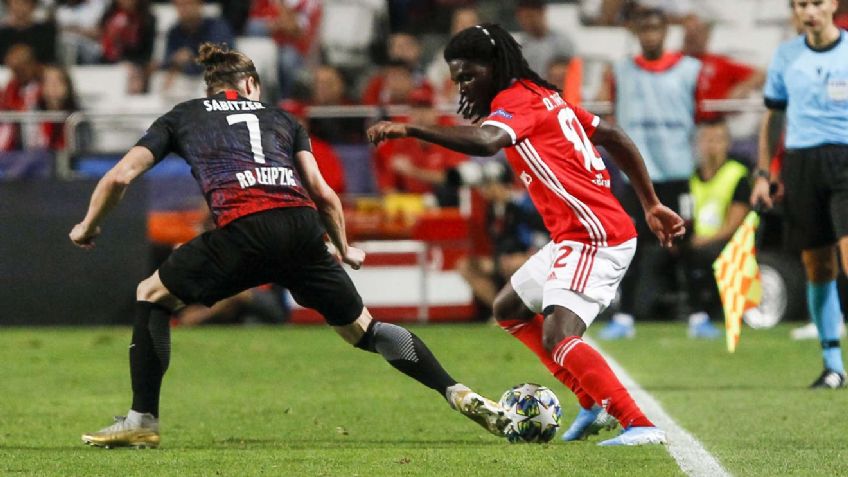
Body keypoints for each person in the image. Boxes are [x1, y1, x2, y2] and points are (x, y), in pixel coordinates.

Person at [69, 42, 508, 449]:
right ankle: (454, 390)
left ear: (211, 88)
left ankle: (142, 419)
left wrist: (88, 226)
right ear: (252, 85)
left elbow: (119, 176)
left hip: (243, 228)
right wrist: (344, 246)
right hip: (301, 230)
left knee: (151, 294)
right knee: (364, 330)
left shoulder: (182, 116)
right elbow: (322, 193)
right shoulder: (282, 119)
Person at [367, 23, 685, 446]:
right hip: (576, 233)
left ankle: (639, 424)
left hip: (595, 235)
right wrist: (650, 203)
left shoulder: (516, 101)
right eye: (457, 78)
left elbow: (486, 142)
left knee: (559, 335)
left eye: (468, 76)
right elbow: (612, 135)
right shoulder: (543, 96)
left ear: (494, 67)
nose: (463, 86)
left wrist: (411, 129)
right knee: (509, 307)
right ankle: (589, 401)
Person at [751, 0, 848, 389]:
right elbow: (773, 117)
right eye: (801, 4)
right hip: (801, 164)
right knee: (818, 267)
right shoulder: (787, 56)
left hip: (845, 159)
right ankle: (832, 365)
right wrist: (762, 173)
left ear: (834, 5)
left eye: (816, 2)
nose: (810, 11)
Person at [597, 7, 701, 339]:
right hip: (637, 177)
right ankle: (624, 317)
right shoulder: (621, 71)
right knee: (631, 246)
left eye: (656, 29)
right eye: (645, 29)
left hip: (678, 172)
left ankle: (699, 314)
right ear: (636, 32)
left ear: (665, 31)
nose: (651, 35)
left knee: (687, 244)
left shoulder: (689, 69)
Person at [682, 120, 751, 339]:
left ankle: (705, 313)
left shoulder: (737, 174)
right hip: (696, 238)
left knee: (702, 255)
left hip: (725, 239)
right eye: (707, 139)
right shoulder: (691, 176)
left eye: (718, 140)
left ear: (727, 143)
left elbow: (734, 222)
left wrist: (705, 239)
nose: (712, 145)